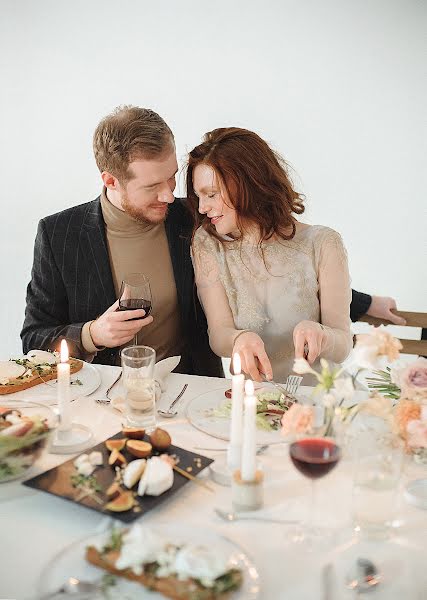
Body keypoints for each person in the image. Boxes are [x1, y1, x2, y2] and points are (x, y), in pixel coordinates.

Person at [21, 106, 222, 377]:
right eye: (152, 187)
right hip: (101, 401)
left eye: (172, 177)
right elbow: (33, 339)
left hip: (190, 396)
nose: (169, 195)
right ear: (111, 180)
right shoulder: (57, 234)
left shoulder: (194, 217)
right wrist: (92, 334)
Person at [187, 127, 353, 382]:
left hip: (321, 399)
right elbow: (219, 333)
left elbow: (343, 345)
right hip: (256, 402)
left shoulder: (323, 243)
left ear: (248, 183)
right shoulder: (207, 244)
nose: (202, 207)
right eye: (199, 196)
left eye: (211, 194)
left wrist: (322, 334)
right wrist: (238, 338)